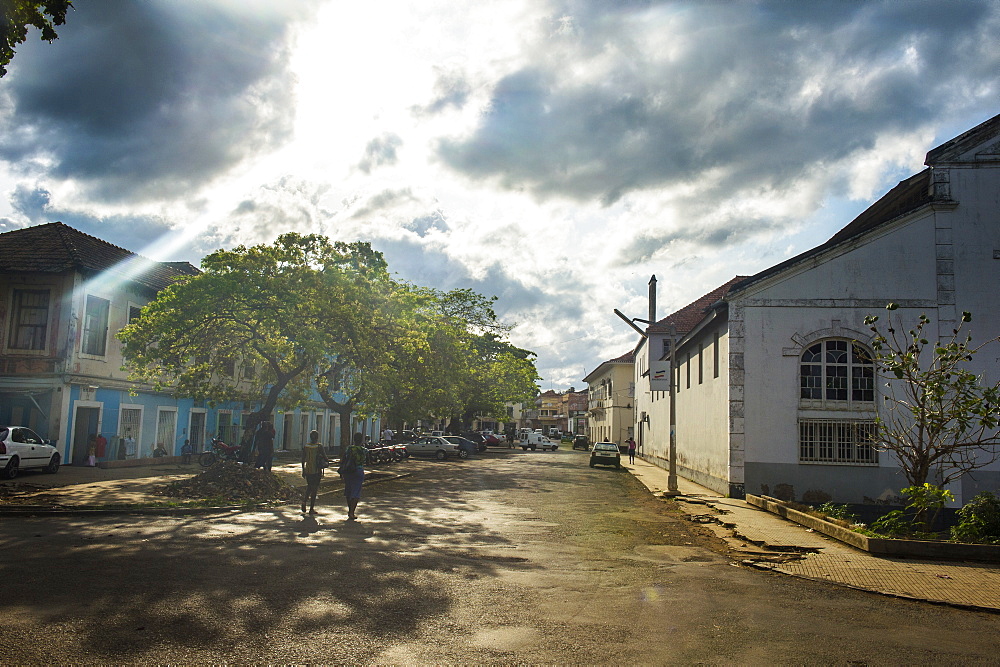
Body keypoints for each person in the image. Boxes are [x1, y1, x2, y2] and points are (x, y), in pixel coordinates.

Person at [340, 432, 367, 521]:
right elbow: (366, 460)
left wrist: (341, 471)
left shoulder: (349, 449)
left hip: (348, 472)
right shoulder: (363, 450)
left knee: (348, 491)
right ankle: (352, 511)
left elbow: (343, 459)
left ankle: (349, 510)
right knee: (356, 492)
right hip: (358, 471)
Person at [301, 430, 328, 514]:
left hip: (308, 469)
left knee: (309, 486)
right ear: (317, 437)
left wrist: (303, 470)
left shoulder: (306, 446)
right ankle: (311, 508)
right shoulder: (319, 446)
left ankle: (304, 501)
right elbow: (325, 457)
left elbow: (302, 459)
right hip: (316, 470)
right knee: (314, 489)